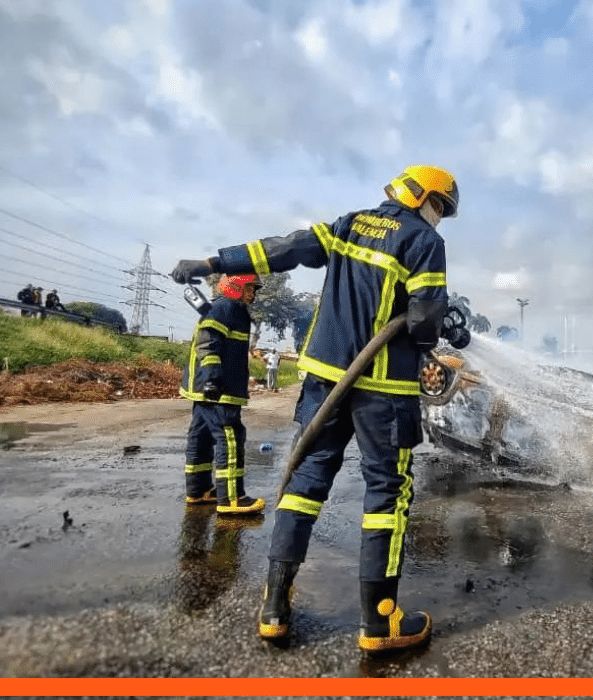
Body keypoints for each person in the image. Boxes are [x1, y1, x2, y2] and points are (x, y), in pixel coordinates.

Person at [171, 165, 462, 653]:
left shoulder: (349, 224)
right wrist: (441, 325)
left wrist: (212, 261)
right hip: (385, 391)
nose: (439, 219)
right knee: (388, 494)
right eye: (440, 208)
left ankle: (274, 608)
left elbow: (283, 249)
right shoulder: (424, 241)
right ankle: (380, 622)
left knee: (305, 484)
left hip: (323, 383)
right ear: (424, 198)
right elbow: (425, 326)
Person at [180, 274, 266, 516]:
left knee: (202, 435)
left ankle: (198, 491)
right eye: (250, 288)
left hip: (208, 387)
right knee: (230, 436)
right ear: (236, 287)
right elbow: (208, 343)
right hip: (219, 389)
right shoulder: (226, 307)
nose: (253, 294)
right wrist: (212, 379)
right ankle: (232, 498)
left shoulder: (226, 308)